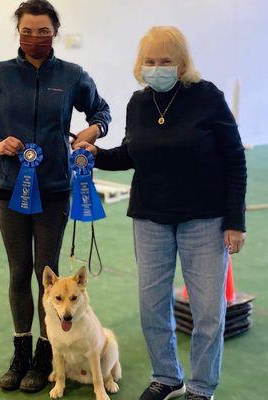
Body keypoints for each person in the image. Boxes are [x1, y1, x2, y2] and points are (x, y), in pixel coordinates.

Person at [75, 26, 247, 400]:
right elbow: (132, 153)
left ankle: (201, 387)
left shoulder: (207, 97)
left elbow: (235, 159)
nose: (157, 67)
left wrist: (235, 222)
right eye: (149, 61)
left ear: (181, 63)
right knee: (152, 307)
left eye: (165, 61)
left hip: (204, 219)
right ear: (140, 65)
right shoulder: (139, 102)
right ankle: (167, 376)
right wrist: (97, 155)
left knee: (207, 314)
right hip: (150, 218)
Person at [0, 0, 111, 393]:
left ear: (55, 32)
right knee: (18, 272)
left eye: (42, 31)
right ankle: (20, 352)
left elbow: (101, 112)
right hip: (8, 189)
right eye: (27, 31)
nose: (34, 38)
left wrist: (91, 133)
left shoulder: (72, 75)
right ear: (18, 32)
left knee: (45, 272)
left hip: (54, 190)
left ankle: (47, 356)